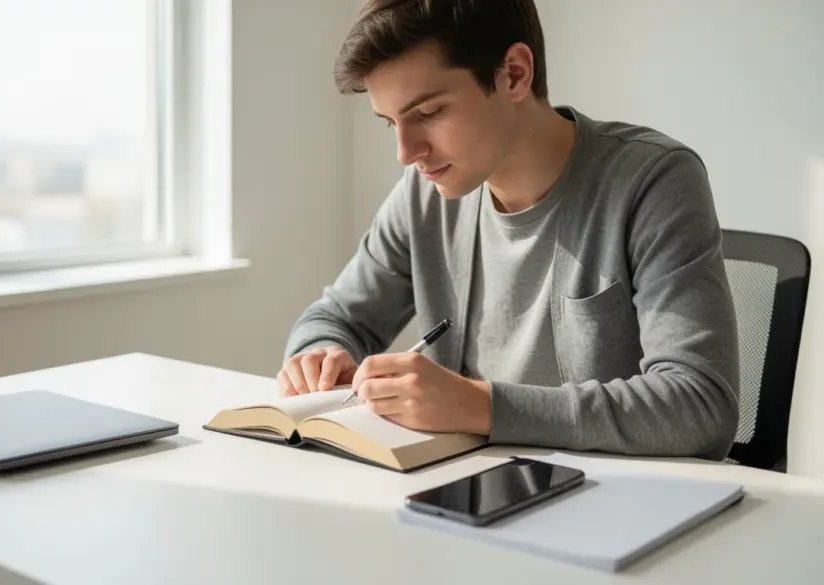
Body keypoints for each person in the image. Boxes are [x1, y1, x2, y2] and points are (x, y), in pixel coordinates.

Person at [277, 0, 740, 460]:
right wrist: (320, 356)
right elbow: (335, 319)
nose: (406, 152)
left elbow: (701, 405)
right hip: (463, 486)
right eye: (390, 122)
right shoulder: (424, 194)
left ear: (514, 74)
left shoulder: (652, 181)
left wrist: (482, 407)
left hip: (613, 494)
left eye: (429, 112)